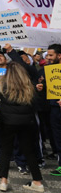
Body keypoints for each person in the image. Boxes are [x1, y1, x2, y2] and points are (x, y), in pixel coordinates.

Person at [0, 62, 44, 192]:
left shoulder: (1, 82)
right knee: (29, 151)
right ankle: (37, 182)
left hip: (7, 121)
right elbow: (34, 102)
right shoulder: (28, 84)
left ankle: (3, 181)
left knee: (6, 151)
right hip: (26, 122)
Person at [36, 44, 61, 177]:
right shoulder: (50, 70)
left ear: (59, 55)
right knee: (57, 136)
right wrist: (42, 86)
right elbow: (52, 86)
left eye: (51, 55)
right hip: (54, 108)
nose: (48, 58)